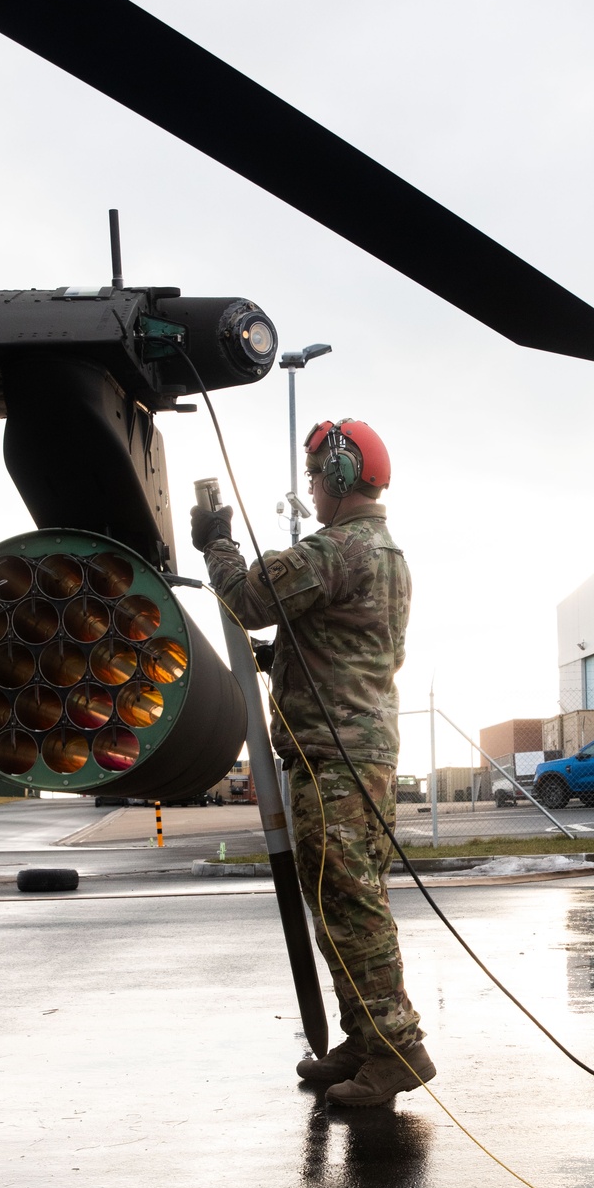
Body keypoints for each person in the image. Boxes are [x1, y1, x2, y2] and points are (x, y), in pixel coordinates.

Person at [190, 417, 435, 1107]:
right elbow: (348, 647)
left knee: (349, 905)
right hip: (365, 755)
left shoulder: (337, 549)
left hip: (333, 763)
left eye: (316, 477)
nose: (313, 490)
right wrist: (284, 661)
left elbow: (247, 600)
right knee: (342, 900)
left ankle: (397, 1048)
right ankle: (364, 1035)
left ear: (341, 475)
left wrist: (218, 545)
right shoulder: (387, 555)